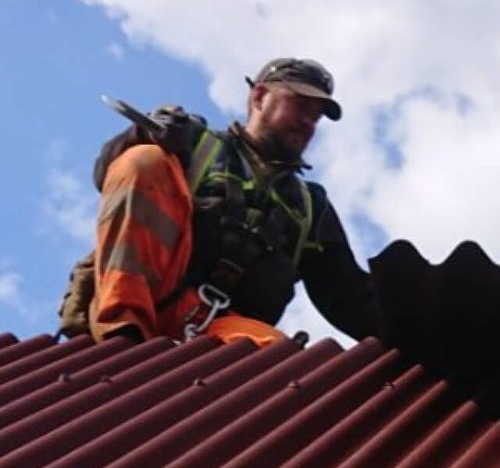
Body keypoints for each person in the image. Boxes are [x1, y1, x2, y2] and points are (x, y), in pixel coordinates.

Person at [61, 57, 381, 347]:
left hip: (222, 329)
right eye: (299, 105)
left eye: (315, 116)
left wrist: (407, 318)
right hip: (150, 299)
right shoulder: (194, 143)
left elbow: (349, 298)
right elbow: (107, 172)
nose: (307, 122)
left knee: (282, 364)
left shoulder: (310, 206)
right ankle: (123, 340)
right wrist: (143, 134)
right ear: (259, 97)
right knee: (144, 159)